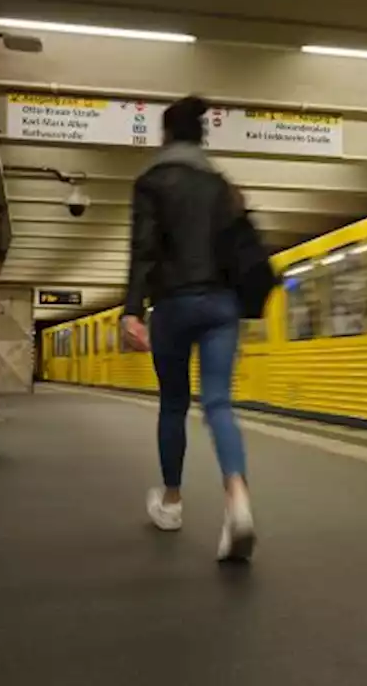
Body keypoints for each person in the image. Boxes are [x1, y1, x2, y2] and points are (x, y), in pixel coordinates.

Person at [120, 96, 256, 562]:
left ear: (165, 136)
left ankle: (173, 502)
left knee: (174, 404)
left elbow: (143, 249)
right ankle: (237, 500)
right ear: (202, 137)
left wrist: (132, 310)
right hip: (222, 304)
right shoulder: (221, 186)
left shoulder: (152, 182)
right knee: (219, 403)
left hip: (174, 305)